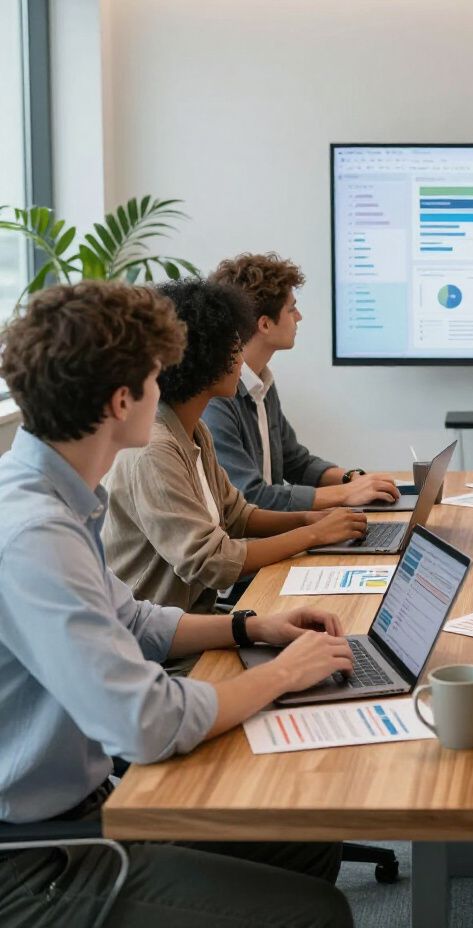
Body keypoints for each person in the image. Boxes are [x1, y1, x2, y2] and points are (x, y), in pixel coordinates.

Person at [0, 281, 356, 928]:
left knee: (307, 839)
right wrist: (284, 674)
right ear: (121, 400)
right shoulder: (32, 534)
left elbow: (133, 618)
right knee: (315, 913)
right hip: (33, 862)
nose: (164, 391)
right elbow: (146, 721)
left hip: (84, 809)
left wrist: (253, 625)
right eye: (157, 377)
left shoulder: (54, 496)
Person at [102, 278, 367, 633]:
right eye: (234, 347)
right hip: (159, 645)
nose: (241, 359)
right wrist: (314, 535)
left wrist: (311, 520)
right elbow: (212, 562)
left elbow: (238, 514)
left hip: (198, 621)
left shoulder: (194, 430)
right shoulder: (154, 448)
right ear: (202, 355)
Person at [206, 252, 398, 510]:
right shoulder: (217, 399)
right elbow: (250, 497)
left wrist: (352, 478)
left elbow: (296, 462)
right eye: (292, 308)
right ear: (264, 324)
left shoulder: (262, 383)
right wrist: (346, 494)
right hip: (249, 544)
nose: (299, 317)